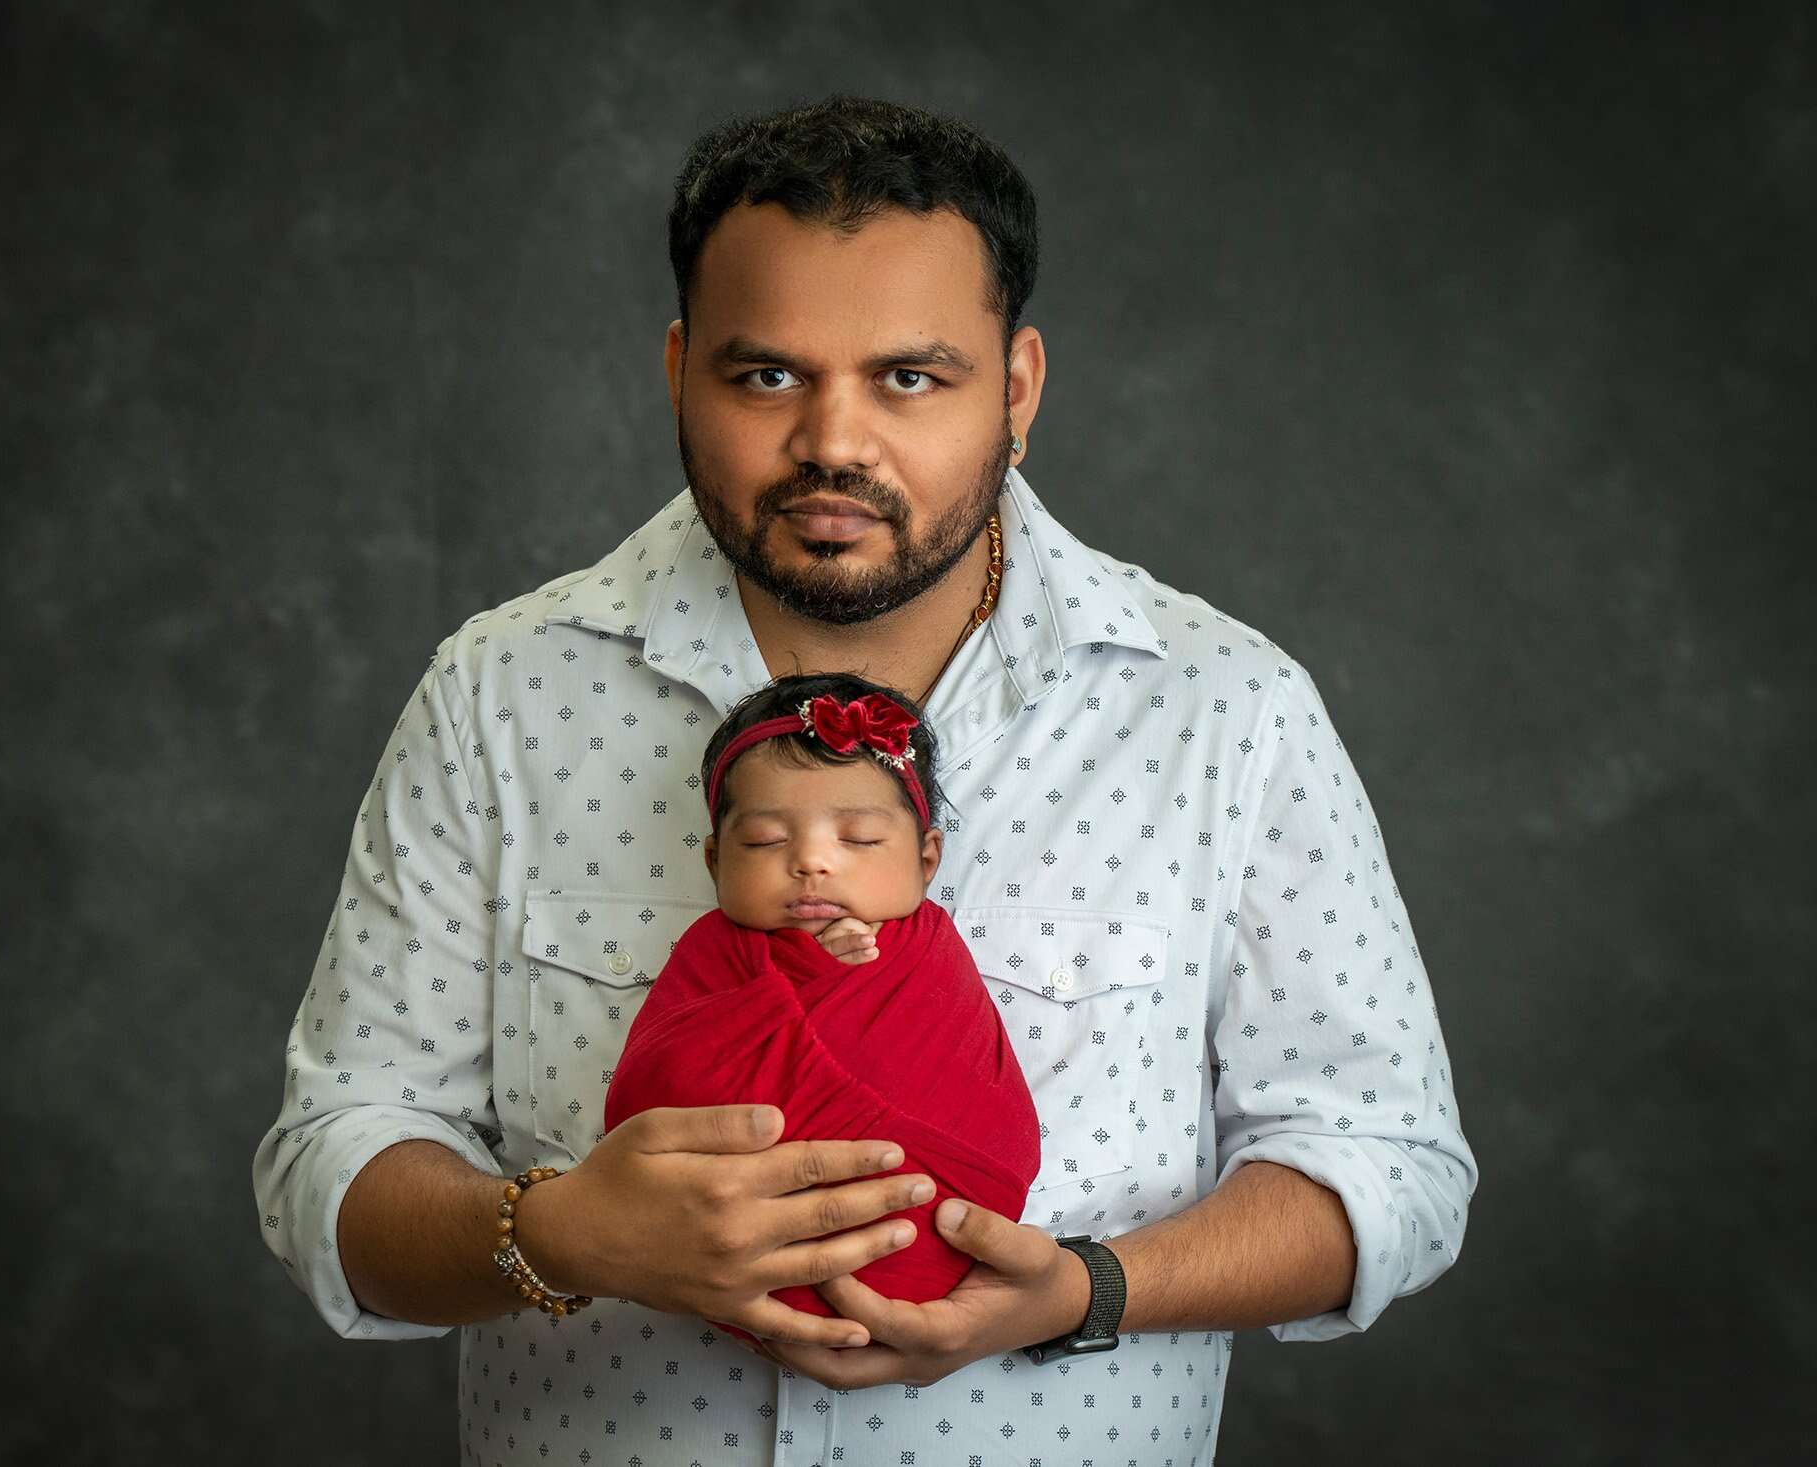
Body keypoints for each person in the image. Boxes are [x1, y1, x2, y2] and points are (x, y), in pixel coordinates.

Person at [252, 94, 1479, 1465]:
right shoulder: (500, 691)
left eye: (910, 376)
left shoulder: (1225, 709)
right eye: (767, 375)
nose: (834, 440)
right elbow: (330, 1162)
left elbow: (1393, 1167)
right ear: (678, 371)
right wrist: (555, 1230)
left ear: (1017, 387)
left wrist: (1090, 1290)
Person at [602, 673, 1042, 1340]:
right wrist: (802, 970)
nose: (810, 861)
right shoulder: (711, 958)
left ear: (927, 860)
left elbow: (987, 1106)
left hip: (942, 1244)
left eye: (860, 838)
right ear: (716, 861)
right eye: (764, 841)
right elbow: (653, 1094)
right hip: (715, 1267)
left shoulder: (930, 953)